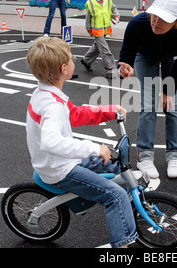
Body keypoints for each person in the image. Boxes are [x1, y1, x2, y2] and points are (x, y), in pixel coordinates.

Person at [25, 36, 137, 248]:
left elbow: (74, 115)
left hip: (60, 162)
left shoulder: (46, 94)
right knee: (116, 196)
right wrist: (94, 149)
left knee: (116, 165)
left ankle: (126, 216)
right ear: (64, 68)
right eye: (72, 58)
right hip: (61, 170)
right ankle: (123, 245)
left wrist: (108, 111)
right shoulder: (52, 105)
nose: (75, 61)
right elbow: (51, 142)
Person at [117, 0, 177, 179]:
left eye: (163, 19)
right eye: (154, 16)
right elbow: (127, 52)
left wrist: (168, 92)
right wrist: (124, 65)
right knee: (148, 105)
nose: (156, 22)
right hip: (144, 56)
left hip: (172, 58)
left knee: (173, 106)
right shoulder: (137, 23)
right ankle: (144, 157)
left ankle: (174, 155)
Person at [81, 0, 119, 79]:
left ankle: (86, 60)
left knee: (97, 47)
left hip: (105, 28)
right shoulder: (90, 2)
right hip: (96, 30)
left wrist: (116, 16)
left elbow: (113, 8)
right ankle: (110, 70)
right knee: (105, 50)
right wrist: (88, 29)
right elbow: (88, 18)